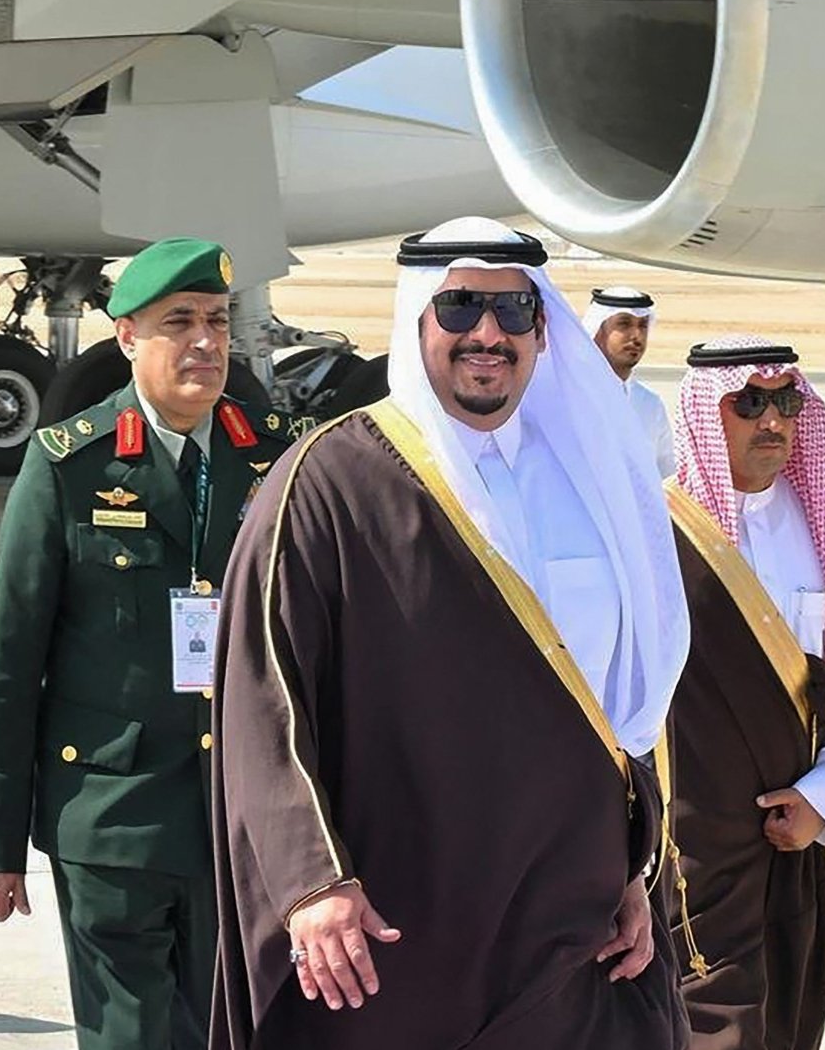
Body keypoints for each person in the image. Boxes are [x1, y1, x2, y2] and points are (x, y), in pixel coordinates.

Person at [211, 217, 693, 1050]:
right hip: (402, 926)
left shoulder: (594, 480)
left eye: (513, 313)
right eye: (460, 306)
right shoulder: (332, 482)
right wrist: (310, 883)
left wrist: (634, 864)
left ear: (544, 329)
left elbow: (628, 699)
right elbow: (265, 699)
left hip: (570, 926)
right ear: (416, 320)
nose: (487, 334)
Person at [0, 237, 307, 1050]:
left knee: (236, 1031)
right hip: (112, 818)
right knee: (134, 1038)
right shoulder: (69, 467)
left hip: (241, 816)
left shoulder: (280, 454)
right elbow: (13, 663)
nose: (205, 342)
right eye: (179, 321)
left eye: (218, 322)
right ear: (127, 336)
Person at [655, 337, 825, 1050]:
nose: (772, 421)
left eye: (786, 403)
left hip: (798, 836)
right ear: (703, 413)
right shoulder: (658, 529)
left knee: (787, 1020)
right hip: (685, 842)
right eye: (749, 402)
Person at [584, 286, 673, 477]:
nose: (636, 336)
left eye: (643, 325)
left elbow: (667, 479)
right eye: (624, 324)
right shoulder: (570, 396)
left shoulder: (650, 404)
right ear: (597, 331)